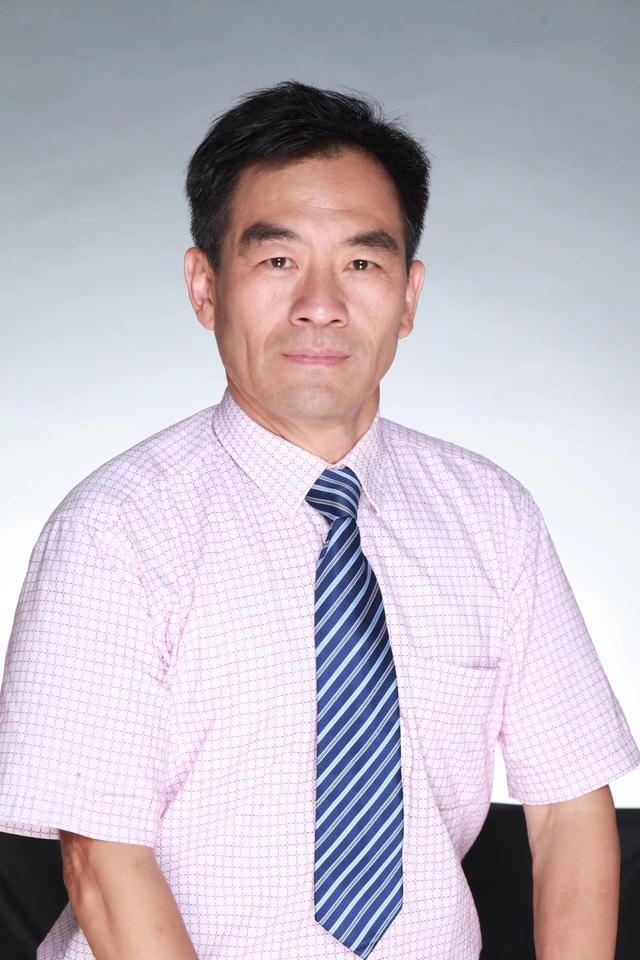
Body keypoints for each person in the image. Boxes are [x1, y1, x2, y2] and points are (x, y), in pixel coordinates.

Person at [0, 79, 638, 960]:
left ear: (408, 296)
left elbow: (569, 810)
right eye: (277, 261)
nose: (321, 304)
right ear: (205, 286)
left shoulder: (492, 517)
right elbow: (102, 863)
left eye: (363, 264)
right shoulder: (113, 532)